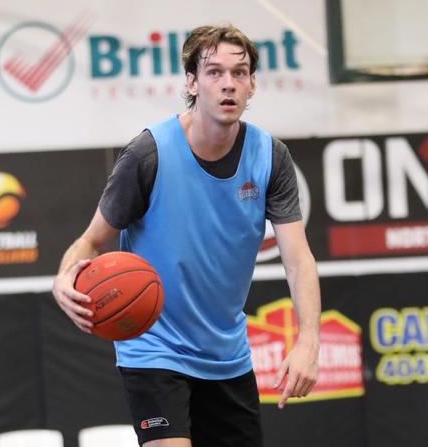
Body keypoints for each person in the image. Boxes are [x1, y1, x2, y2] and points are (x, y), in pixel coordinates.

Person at [53, 24, 321, 447]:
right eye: (214, 72)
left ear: (252, 84)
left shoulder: (271, 157)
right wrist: (63, 278)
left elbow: (298, 259)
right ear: (192, 82)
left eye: (240, 72)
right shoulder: (148, 153)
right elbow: (91, 240)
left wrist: (308, 341)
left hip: (227, 356)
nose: (228, 84)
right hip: (155, 350)